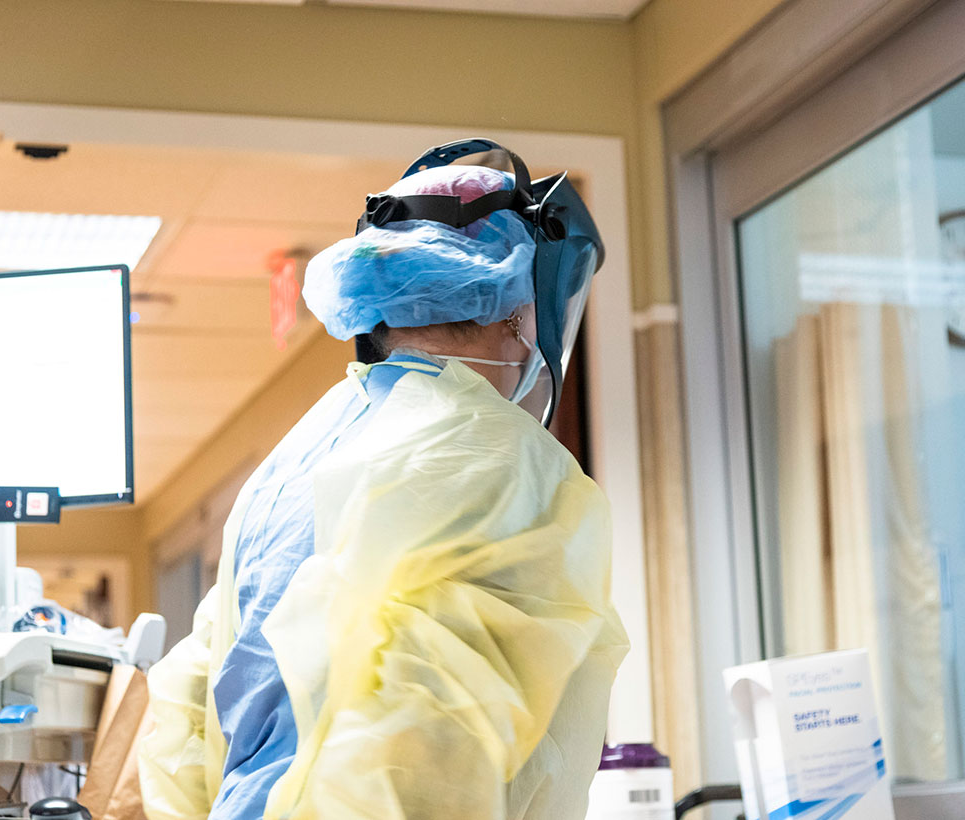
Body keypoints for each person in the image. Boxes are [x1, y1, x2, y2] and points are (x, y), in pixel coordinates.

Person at [138, 139, 629, 820]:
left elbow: (191, 696)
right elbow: (426, 739)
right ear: (521, 308)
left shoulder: (296, 455)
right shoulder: (495, 453)